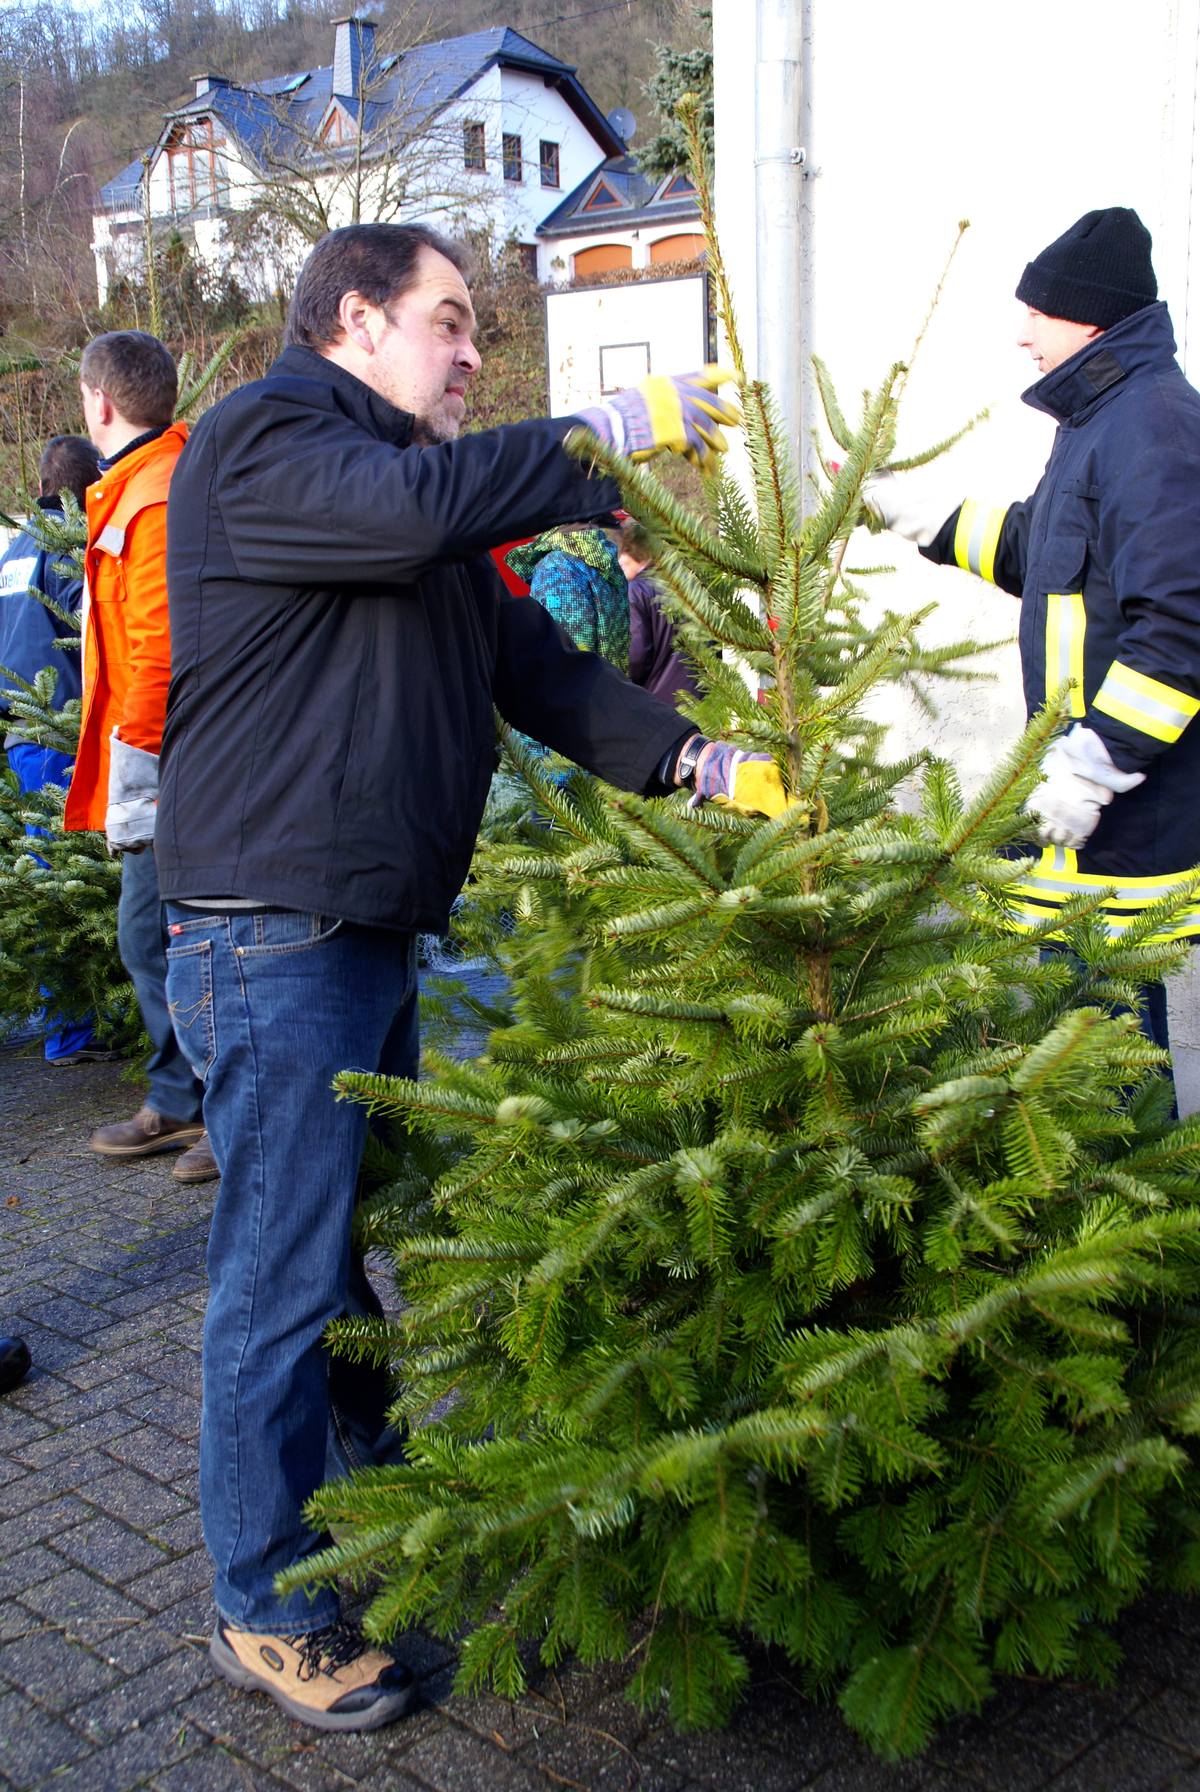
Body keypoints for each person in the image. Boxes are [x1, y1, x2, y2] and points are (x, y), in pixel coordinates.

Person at [155, 221, 783, 1733]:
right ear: (357, 319)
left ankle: (372, 1528)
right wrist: (614, 429)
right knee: (283, 1280)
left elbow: (539, 668)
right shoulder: (267, 440)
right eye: (448, 321)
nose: (470, 352)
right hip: (272, 930)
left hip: (356, 930)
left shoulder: (412, 513)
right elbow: (416, 505)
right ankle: (265, 1598)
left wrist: (703, 761)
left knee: (338, 1263)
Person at [868, 207, 1200, 1087]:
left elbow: (1181, 630)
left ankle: (1150, 1225)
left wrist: (1096, 765)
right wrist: (929, 520)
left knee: (1109, 1066)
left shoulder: (1154, 430)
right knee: (1071, 1052)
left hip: (1121, 824)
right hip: (1080, 813)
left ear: (1088, 317)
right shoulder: (1097, 424)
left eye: (1037, 314)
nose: (1023, 335)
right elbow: (1040, 554)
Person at [63, 332, 214, 1184]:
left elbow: (157, 650)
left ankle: (211, 1110)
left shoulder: (150, 496)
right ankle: (185, 1100)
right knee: (156, 935)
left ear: (100, 403)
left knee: (169, 939)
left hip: (165, 761)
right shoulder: (141, 485)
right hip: (162, 755)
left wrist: (139, 772)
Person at [1, 434, 107, 1063]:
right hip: (63, 730)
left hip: (22, 730)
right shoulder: (68, 543)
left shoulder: (14, 546)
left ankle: (74, 1023)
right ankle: (70, 1034)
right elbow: (90, 624)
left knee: (55, 880)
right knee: (71, 880)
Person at [618, 519, 701, 705]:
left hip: (660, 702)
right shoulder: (687, 586)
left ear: (634, 553)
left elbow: (636, 655)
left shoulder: (636, 591)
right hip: (700, 695)